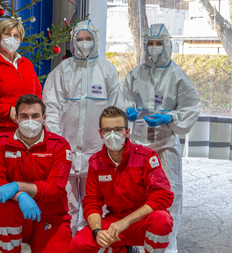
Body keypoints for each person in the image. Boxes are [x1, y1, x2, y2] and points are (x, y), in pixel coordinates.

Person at [123, 23, 201, 253]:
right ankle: (135, 241)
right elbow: (124, 97)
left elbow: (191, 106)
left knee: (170, 192)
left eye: (159, 44)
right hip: (138, 143)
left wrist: (169, 116)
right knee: (135, 191)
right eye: (151, 43)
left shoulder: (176, 74)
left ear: (167, 45)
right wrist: (130, 109)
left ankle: (167, 245)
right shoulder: (136, 73)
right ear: (145, 45)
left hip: (165, 142)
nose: (154, 48)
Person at [42, 19, 123, 233]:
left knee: (95, 201)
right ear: (73, 42)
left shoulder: (107, 70)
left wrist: (113, 142)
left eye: (88, 39)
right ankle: (65, 239)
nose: (84, 43)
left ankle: (90, 240)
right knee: (65, 201)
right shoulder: (62, 70)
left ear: (95, 40)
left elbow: (116, 110)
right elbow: (51, 107)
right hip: (66, 150)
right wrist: (56, 142)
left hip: (96, 150)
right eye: (80, 39)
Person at [70, 106, 174, 253]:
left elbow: (163, 196)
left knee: (161, 220)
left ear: (127, 132)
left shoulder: (146, 157)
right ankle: (125, 250)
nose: (112, 135)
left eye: (118, 129)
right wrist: (97, 231)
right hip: (115, 222)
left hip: (142, 221)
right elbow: (92, 202)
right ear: (101, 134)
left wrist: (126, 221)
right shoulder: (95, 163)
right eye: (107, 130)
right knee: (79, 244)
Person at [0, 94, 72, 253]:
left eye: (35, 116)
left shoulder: (59, 146)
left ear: (44, 118)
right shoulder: (0, 143)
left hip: (50, 215)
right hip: (13, 211)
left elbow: (54, 188)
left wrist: (17, 186)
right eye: (24, 116)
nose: (29, 120)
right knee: (1, 206)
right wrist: (20, 196)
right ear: (16, 118)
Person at [0, 18, 42, 154]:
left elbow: (38, 94)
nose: (12, 38)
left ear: (21, 40)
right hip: (0, 131)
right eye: (7, 34)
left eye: (16, 36)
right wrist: (7, 110)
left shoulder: (26, 64)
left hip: (28, 130)